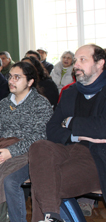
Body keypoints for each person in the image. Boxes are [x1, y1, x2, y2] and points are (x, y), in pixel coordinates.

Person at [29, 44, 106, 222]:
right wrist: (75, 135)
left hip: (96, 157)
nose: (75, 65)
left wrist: (70, 122)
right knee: (39, 146)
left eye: (82, 60)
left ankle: (49, 216)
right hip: (68, 148)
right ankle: (51, 216)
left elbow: (102, 127)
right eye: (76, 60)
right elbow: (52, 128)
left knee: (43, 182)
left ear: (100, 63)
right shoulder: (70, 92)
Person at [0, 62, 53, 222]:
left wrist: (10, 152)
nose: (11, 81)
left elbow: (39, 136)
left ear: (30, 82)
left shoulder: (41, 104)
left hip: (30, 154)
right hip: (2, 149)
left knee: (9, 181)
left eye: (17, 77)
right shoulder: (4, 103)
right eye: (10, 77)